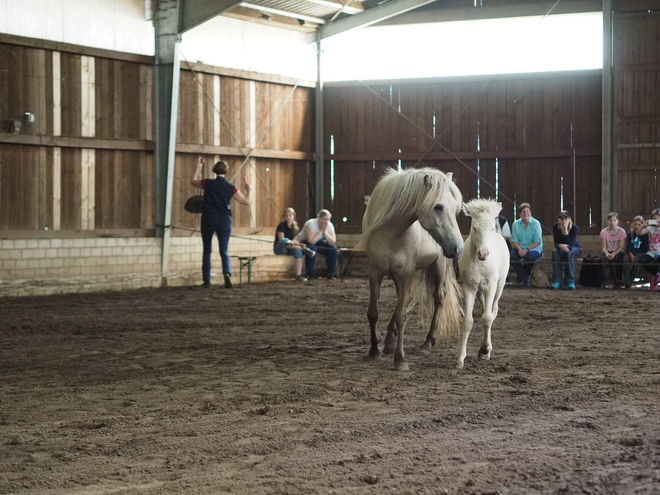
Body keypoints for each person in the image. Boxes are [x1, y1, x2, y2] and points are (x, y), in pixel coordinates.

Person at [191, 157, 251, 288]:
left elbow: (193, 181)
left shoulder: (207, 183)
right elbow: (246, 202)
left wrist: (198, 167)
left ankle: (207, 280)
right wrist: (249, 189)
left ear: (214, 170)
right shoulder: (231, 187)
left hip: (208, 218)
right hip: (224, 220)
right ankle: (227, 274)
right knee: (224, 251)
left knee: (207, 250)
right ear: (226, 171)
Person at [273, 207, 316, 282]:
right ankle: (304, 249)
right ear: (284, 217)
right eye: (286, 216)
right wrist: (295, 244)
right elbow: (281, 240)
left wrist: (298, 244)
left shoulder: (295, 228)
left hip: (290, 247)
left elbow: (295, 241)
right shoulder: (281, 226)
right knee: (285, 240)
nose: (288, 217)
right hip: (280, 248)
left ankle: (298, 275)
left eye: (290, 215)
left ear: (293, 216)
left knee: (298, 252)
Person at [297, 209, 338, 279]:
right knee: (312, 249)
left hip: (319, 240)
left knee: (333, 249)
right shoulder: (310, 223)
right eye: (324, 219)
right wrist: (321, 230)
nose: (326, 222)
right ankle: (309, 274)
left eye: (328, 219)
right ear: (318, 218)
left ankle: (330, 273)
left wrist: (325, 232)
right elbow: (311, 241)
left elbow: (333, 241)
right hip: (304, 242)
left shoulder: (330, 225)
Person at [510, 203, 543, 286]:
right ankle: (523, 275)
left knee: (529, 257)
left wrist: (526, 250)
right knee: (511, 256)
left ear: (530, 213)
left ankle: (525, 276)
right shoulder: (515, 224)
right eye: (523, 211)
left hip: (533, 249)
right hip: (520, 248)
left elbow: (537, 242)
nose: (526, 213)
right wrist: (520, 249)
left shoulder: (536, 224)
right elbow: (514, 241)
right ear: (520, 214)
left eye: (528, 211)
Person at [550, 210, 581, 290]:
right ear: (558, 220)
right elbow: (556, 243)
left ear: (570, 219)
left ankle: (570, 281)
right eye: (561, 219)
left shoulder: (574, 228)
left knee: (569, 253)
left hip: (575, 248)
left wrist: (565, 232)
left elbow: (571, 245)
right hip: (560, 248)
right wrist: (560, 245)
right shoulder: (555, 227)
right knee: (555, 252)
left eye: (565, 218)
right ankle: (557, 280)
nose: (563, 221)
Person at [599, 212, 626, 289]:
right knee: (602, 259)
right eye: (610, 220)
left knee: (618, 259)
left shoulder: (622, 232)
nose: (612, 222)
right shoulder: (604, 232)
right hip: (608, 251)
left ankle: (617, 280)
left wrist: (614, 254)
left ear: (617, 221)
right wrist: (607, 253)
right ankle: (603, 280)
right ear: (607, 221)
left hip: (617, 251)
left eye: (614, 220)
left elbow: (621, 247)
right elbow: (603, 247)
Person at [636, 208, 660, 290]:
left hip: (659, 252)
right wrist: (643, 225)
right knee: (642, 261)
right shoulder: (650, 228)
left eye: (657, 218)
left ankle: (653, 280)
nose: (656, 220)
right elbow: (638, 233)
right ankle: (655, 275)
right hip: (651, 251)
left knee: (657, 260)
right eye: (654, 219)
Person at [622, 215, 649, 288]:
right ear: (632, 224)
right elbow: (628, 247)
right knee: (625, 260)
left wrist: (636, 255)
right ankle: (627, 281)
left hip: (640, 253)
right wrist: (630, 254)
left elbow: (645, 248)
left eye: (639, 225)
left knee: (636, 260)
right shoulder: (630, 234)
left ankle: (630, 281)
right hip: (631, 252)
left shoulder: (645, 235)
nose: (637, 226)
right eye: (635, 224)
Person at [495, 214, 513, 285]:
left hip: (501, 245)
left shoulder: (503, 220)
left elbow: (505, 236)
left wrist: (496, 244)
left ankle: (505, 276)